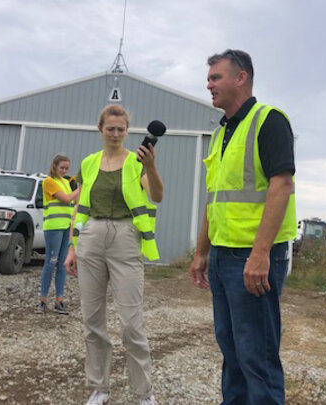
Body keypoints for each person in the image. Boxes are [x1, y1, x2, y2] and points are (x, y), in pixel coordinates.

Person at [188, 50, 296, 404]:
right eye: (209, 79)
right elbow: (214, 198)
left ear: (241, 78)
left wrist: (260, 254)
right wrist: (202, 252)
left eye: (216, 77)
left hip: (252, 259)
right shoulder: (222, 133)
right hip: (222, 257)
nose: (209, 85)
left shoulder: (269, 121)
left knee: (257, 357)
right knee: (232, 353)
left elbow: (282, 186)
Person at [65, 104, 163, 405]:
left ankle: (144, 393)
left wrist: (151, 167)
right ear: (100, 129)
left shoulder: (136, 163)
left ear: (127, 131)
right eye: (111, 129)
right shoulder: (90, 163)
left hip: (125, 239)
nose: (117, 134)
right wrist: (72, 246)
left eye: (121, 129)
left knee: (131, 321)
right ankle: (100, 388)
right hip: (91, 237)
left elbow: (157, 196)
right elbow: (79, 207)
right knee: (92, 319)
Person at [35, 154, 79, 315]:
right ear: (54, 166)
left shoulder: (66, 182)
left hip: (66, 226)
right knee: (51, 261)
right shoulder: (49, 182)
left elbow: (74, 201)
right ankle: (42, 300)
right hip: (53, 226)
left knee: (62, 264)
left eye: (67, 168)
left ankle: (59, 300)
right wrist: (80, 188)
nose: (65, 171)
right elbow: (67, 199)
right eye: (62, 168)